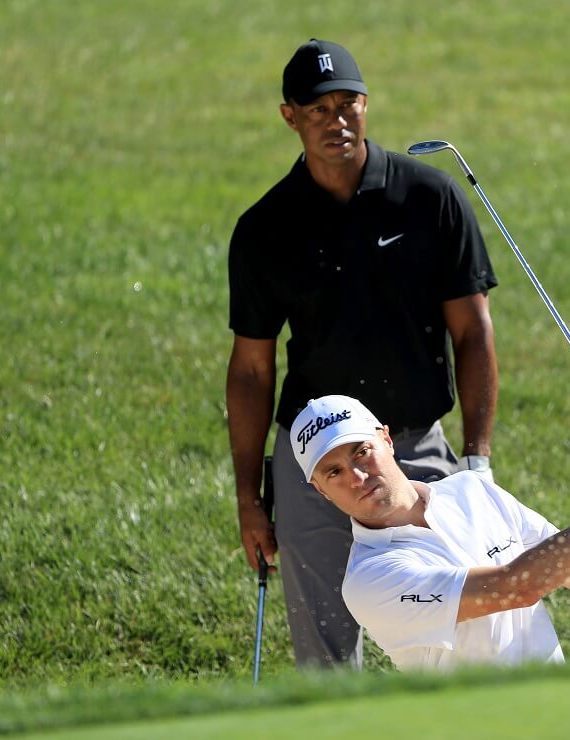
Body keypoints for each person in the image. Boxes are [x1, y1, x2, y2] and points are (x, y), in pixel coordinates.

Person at [226, 39, 500, 668]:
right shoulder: (265, 229)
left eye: (348, 104)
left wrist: (477, 463)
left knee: (464, 627)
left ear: (367, 105)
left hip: (416, 447)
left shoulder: (429, 199)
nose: (336, 121)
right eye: (317, 110)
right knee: (323, 656)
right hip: (314, 468)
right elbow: (250, 369)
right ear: (289, 117)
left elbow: (474, 332)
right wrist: (249, 497)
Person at [289, 395, 570, 670]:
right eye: (334, 471)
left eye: (361, 450)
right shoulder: (369, 579)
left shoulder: (469, 489)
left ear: (387, 440)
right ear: (320, 490)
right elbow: (515, 588)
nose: (357, 477)